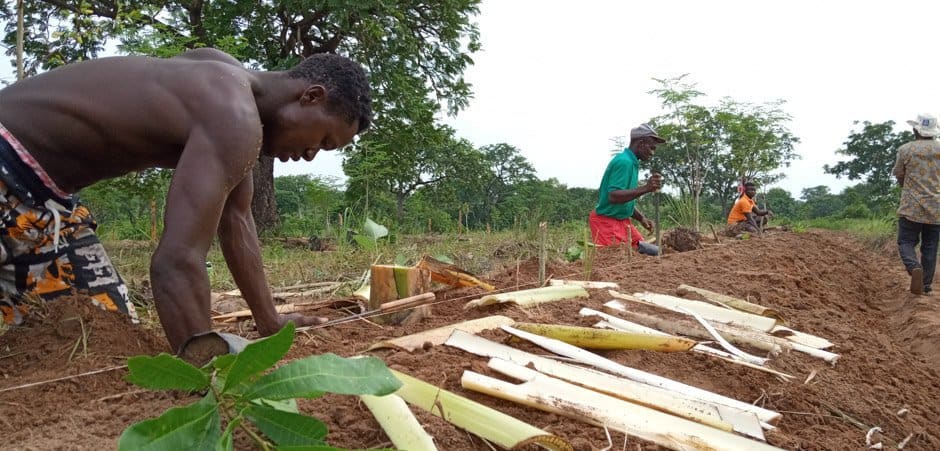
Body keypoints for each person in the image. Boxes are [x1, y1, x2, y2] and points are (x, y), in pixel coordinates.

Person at [0, 48, 372, 354]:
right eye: (323, 140)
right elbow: (176, 261)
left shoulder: (230, 87)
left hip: (45, 204)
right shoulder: (234, 116)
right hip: (7, 165)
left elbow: (237, 220)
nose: (311, 154)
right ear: (311, 95)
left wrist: (270, 321)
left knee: (102, 336)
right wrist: (209, 373)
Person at [589, 123, 664, 255]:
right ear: (641, 143)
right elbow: (614, 196)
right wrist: (646, 188)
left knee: (650, 253)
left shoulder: (632, 162)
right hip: (607, 222)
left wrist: (641, 218)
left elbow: (625, 198)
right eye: (651, 148)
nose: (652, 153)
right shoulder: (624, 162)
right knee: (618, 259)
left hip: (622, 222)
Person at [892, 113, 940, 295]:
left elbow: (899, 174)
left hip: (911, 206)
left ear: (915, 130)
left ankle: (914, 268)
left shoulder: (906, 150)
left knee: (905, 241)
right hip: (936, 207)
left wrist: (907, 187)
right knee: (930, 246)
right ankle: (926, 285)